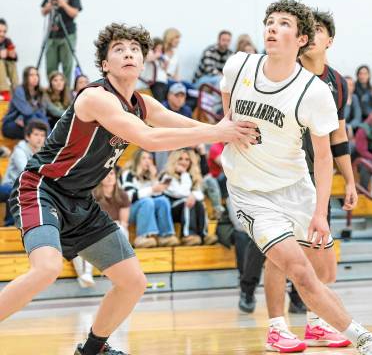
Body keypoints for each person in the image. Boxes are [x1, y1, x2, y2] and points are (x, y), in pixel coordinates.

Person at [0, 23, 257, 355]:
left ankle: (93, 350)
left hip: (80, 200)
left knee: (133, 282)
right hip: (43, 189)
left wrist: (225, 129)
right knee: (47, 268)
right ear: (105, 64)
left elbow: (176, 120)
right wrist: (217, 135)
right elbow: (148, 138)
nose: (128, 53)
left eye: (135, 49)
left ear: (143, 61)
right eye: (119, 48)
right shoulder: (95, 97)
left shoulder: (142, 103)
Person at [220, 0, 372, 354]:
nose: (272, 28)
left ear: (302, 39)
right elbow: (225, 98)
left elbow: (325, 154)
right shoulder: (239, 65)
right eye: (269, 21)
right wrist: (227, 126)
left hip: (296, 185)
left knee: (324, 271)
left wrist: (321, 211)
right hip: (251, 191)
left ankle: (317, 324)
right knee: (295, 266)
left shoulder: (316, 91)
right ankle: (362, 339)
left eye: (282, 23)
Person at [244, 9, 358, 347]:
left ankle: (316, 322)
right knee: (279, 255)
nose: (311, 35)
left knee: (319, 255)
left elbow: (338, 135)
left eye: (318, 29)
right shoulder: (281, 72)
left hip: (315, 177)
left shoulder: (336, 83)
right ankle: (277, 326)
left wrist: (349, 180)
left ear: (328, 40)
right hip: (279, 176)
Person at [120, 149, 179, 247]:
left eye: (150, 158)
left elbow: (158, 196)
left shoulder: (149, 176)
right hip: (127, 212)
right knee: (147, 201)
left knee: (163, 201)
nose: (147, 161)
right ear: (137, 160)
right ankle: (143, 236)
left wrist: (154, 178)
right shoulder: (128, 174)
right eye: (144, 158)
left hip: (145, 209)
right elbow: (129, 197)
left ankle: (165, 235)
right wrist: (152, 189)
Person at [162, 148, 217, 245]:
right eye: (180, 159)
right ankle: (187, 235)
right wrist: (184, 174)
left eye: (187, 159)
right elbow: (178, 192)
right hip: (170, 209)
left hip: (186, 208)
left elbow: (200, 194)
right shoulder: (167, 175)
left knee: (200, 204)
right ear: (174, 160)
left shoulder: (192, 176)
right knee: (187, 202)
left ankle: (204, 235)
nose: (184, 162)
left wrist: (193, 195)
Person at [0, 120, 47, 226]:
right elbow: (26, 171)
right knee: (15, 190)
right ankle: (11, 225)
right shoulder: (19, 150)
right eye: (36, 134)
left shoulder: (44, 153)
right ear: (27, 137)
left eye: (42, 135)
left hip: (30, 187)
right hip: (10, 185)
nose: (39, 138)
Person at [41, 0, 82, 85]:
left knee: (67, 66)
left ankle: (66, 95)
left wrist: (64, 4)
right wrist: (50, 4)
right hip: (52, 35)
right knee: (50, 67)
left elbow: (75, 13)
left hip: (67, 34)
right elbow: (43, 11)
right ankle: (52, 93)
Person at [1, 66, 49, 139]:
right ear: (26, 77)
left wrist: (22, 117)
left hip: (28, 122)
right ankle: (49, 145)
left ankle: (49, 144)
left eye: (37, 75)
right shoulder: (19, 90)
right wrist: (22, 117)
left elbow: (43, 113)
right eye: (31, 75)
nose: (35, 77)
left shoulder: (40, 92)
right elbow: (27, 111)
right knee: (37, 131)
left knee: (42, 125)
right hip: (12, 124)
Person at [140, 37, 168, 102]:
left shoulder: (162, 57)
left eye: (161, 49)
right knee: (158, 101)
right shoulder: (150, 53)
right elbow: (148, 58)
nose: (160, 50)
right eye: (158, 48)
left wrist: (165, 63)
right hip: (155, 83)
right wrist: (157, 55)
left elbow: (164, 69)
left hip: (163, 82)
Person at [0, 18, 19, 94]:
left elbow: (14, 57)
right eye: (0, 31)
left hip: (5, 70)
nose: (2, 34)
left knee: (12, 63)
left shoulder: (7, 41)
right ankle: (3, 91)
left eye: (4, 32)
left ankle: (16, 89)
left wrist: (12, 55)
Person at [344, 75, 362, 146]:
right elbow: (341, 118)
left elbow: (358, 118)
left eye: (351, 85)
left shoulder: (354, 97)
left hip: (349, 130)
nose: (348, 87)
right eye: (346, 84)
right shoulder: (336, 97)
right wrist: (347, 104)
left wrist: (349, 127)